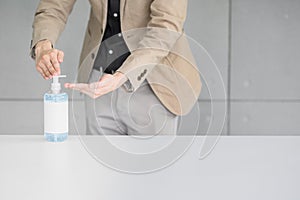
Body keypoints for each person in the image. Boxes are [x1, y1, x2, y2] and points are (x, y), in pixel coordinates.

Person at [30, 0, 201, 135]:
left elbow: (165, 28)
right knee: (99, 173)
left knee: (153, 175)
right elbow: (53, 7)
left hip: (154, 84)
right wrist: (43, 44)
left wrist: (122, 76)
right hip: (99, 83)